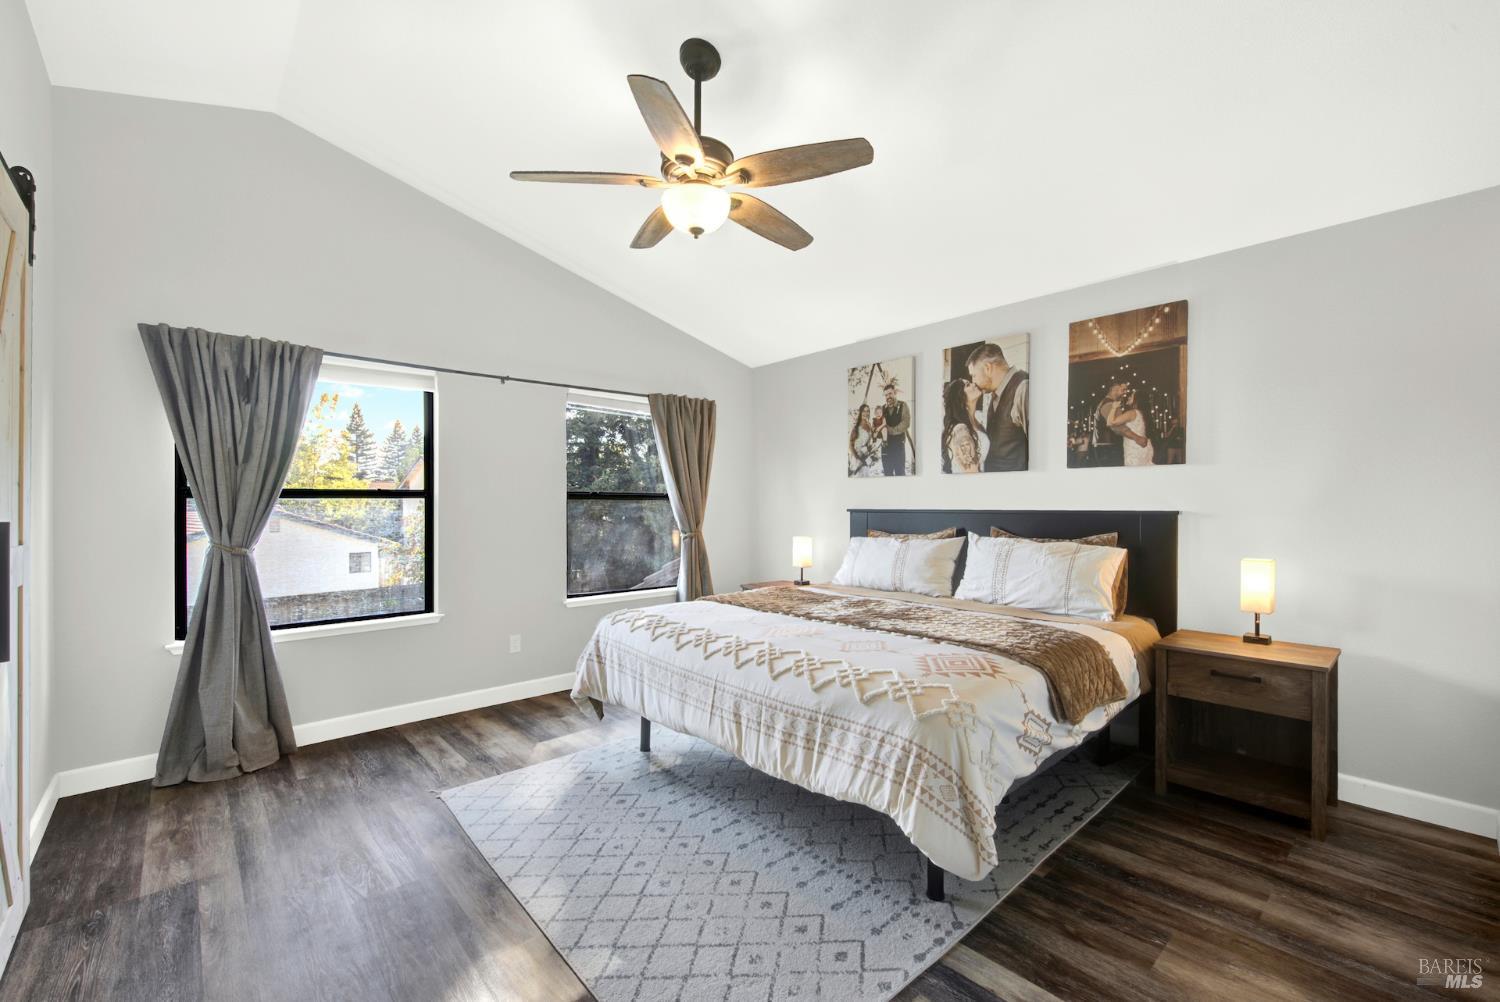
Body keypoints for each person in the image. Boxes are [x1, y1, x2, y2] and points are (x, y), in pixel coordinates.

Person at [965, 342, 1028, 471]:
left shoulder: (1023, 388)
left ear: (988, 368)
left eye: (974, 375)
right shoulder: (993, 393)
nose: (973, 382)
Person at [941, 378, 984, 473]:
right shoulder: (960, 430)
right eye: (968, 385)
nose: (974, 384)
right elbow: (971, 472)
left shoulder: (976, 420)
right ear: (960, 398)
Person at [1109, 388, 1155, 466]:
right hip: (1145, 448)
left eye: (1132, 396)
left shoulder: (1132, 413)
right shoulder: (1143, 413)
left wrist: (1113, 407)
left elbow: (1112, 422)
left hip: (1134, 450)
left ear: (1137, 400)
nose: (1129, 397)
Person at [877, 380, 912, 476]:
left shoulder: (903, 405)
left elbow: (906, 423)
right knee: (887, 474)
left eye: (890, 394)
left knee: (900, 473)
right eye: (886, 395)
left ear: (895, 393)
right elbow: (878, 426)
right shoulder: (882, 409)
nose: (888, 397)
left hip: (898, 447)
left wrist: (890, 431)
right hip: (886, 448)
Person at [1090, 383, 1127, 466]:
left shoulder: (1106, 402)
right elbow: (1116, 426)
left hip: (1104, 445)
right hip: (1108, 446)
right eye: (1122, 391)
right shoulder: (1109, 404)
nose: (1124, 393)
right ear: (1114, 391)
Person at [848, 403, 879, 475]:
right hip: (857, 457)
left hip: (866, 455)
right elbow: (850, 444)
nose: (866, 413)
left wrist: (872, 451)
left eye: (868, 411)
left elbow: (870, 440)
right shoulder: (856, 426)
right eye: (864, 411)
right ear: (860, 412)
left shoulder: (869, 424)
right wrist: (857, 458)